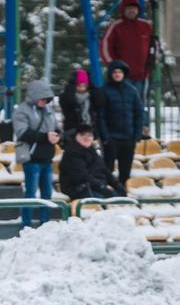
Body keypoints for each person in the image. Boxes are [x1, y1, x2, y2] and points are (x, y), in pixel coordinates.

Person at [13, 79, 61, 228]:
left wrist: (58, 136)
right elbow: (22, 132)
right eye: (42, 98)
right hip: (32, 158)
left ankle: (44, 224)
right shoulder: (22, 110)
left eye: (47, 98)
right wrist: (45, 137)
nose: (44, 101)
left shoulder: (48, 110)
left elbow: (56, 128)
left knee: (47, 194)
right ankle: (26, 224)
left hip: (47, 158)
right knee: (31, 194)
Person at [100, 0, 152, 128]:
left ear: (138, 10)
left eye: (134, 8)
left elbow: (154, 46)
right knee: (123, 103)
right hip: (122, 76)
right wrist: (113, 65)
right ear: (123, 10)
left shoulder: (146, 26)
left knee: (141, 102)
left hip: (142, 74)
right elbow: (106, 45)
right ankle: (124, 127)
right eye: (128, 8)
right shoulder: (116, 26)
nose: (131, 11)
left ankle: (142, 129)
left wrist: (153, 60)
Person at [98, 59, 144, 190]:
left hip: (128, 137)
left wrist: (137, 134)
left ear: (124, 74)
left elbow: (139, 113)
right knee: (108, 169)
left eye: (120, 72)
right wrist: (105, 137)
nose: (117, 74)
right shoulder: (104, 91)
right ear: (111, 74)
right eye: (115, 72)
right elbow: (101, 116)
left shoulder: (132, 90)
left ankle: (123, 193)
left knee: (126, 169)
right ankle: (108, 193)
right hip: (111, 137)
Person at [59, 124, 121, 200]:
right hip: (78, 188)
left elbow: (104, 169)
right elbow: (81, 176)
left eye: (89, 135)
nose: (86, 138)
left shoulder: (92, 150)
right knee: (101, 199)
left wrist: (116, 184)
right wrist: (101, 186)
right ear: (76, 136)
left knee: (119, 197)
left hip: (95, 186)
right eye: (82, 135)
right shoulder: (71, 153)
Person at [58, 68, 105, 138]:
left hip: (90, 131)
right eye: (79, 85)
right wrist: (70, 87)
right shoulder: (67, 95)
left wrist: (93, 86)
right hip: (73, 133)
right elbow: (68, 101)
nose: (82, 88)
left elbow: (100, 102)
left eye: (84, 85)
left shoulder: (90, 96)